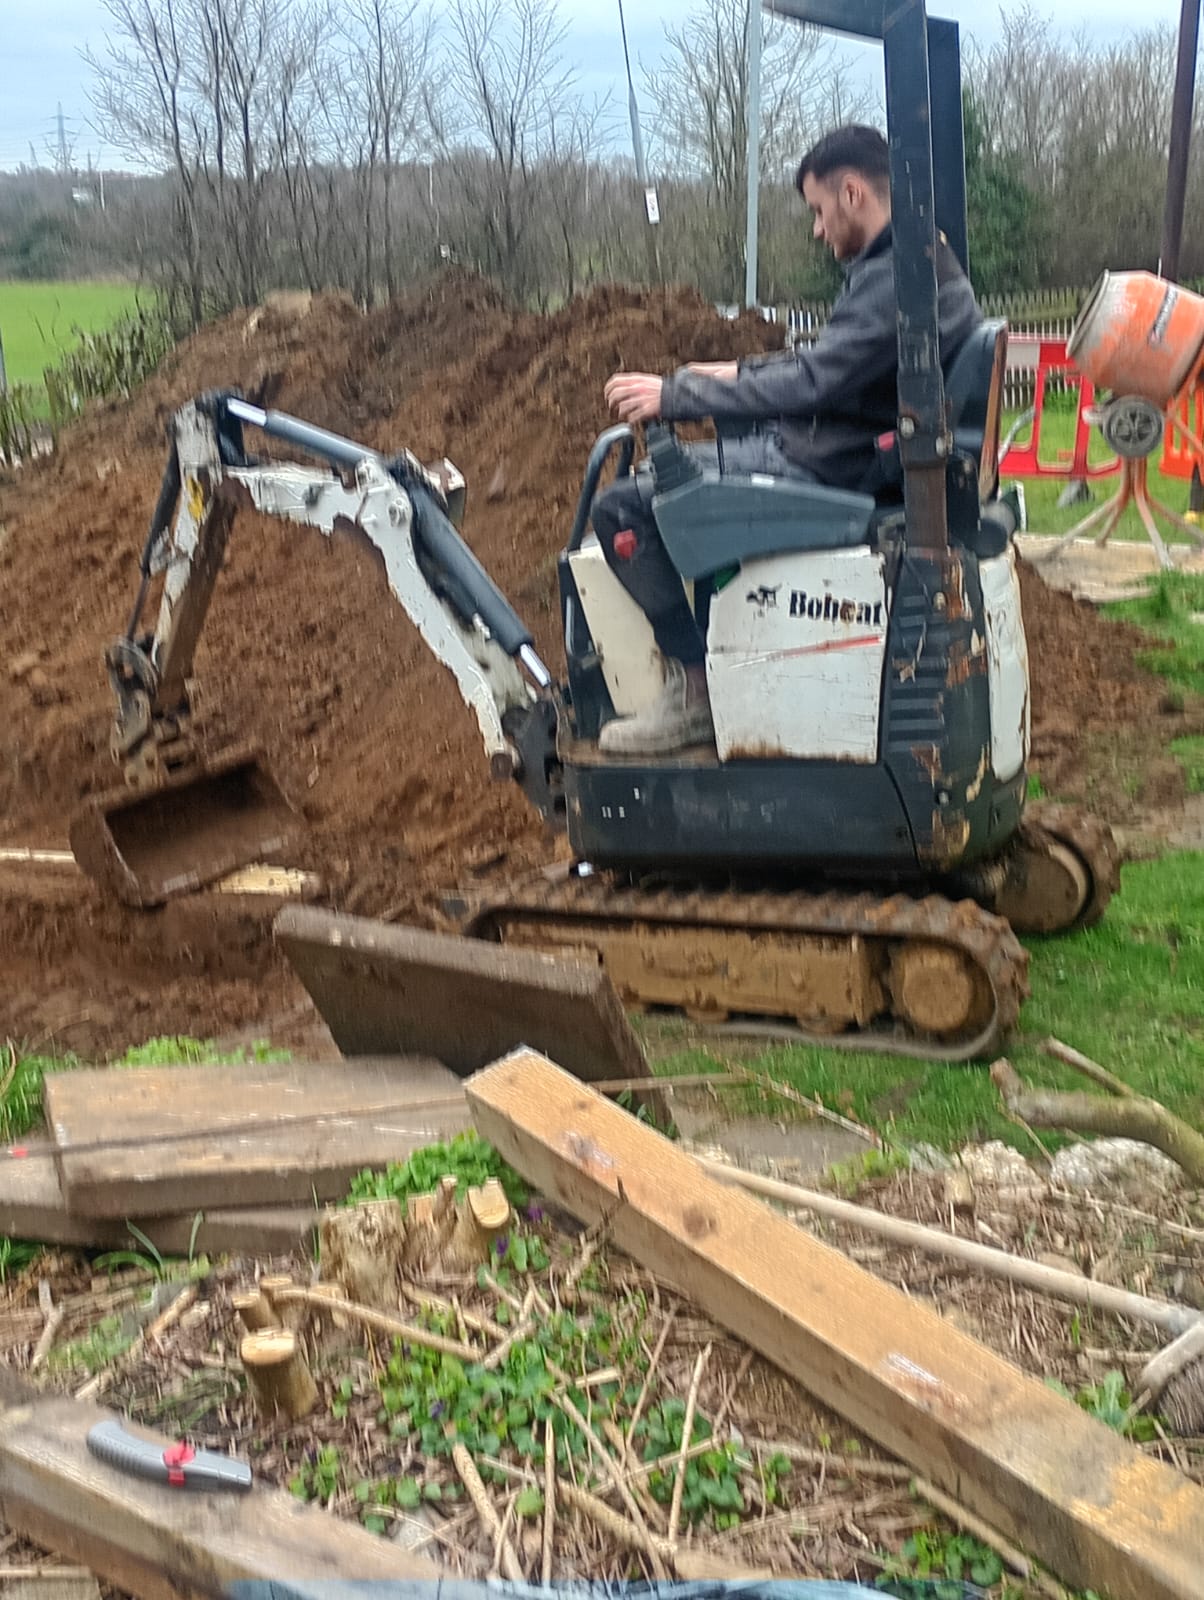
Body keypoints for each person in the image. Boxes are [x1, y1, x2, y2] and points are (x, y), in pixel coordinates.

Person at [590, 123, 982, 757]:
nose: (818, 229)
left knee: (621, 508)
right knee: (678, 474)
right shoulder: (909, 265)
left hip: (830, 469)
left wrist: (676, 396)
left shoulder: (898, 281)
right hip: (849, 455)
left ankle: (695, 689)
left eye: (820, 211)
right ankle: (722, 652)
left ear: (853, 193)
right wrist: (737, 373)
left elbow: (814, 381)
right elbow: (834, 363)